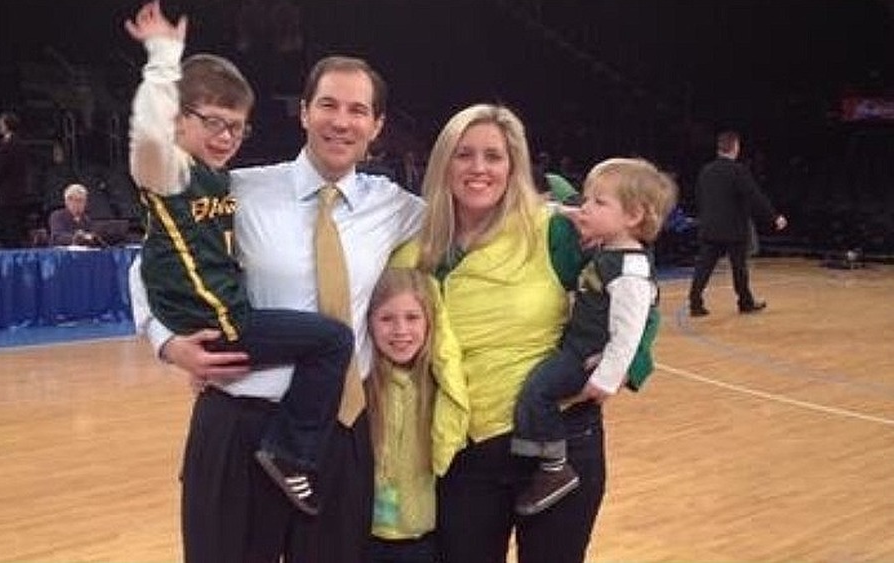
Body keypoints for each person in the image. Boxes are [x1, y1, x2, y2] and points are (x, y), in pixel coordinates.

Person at [126, 12, 427, 561]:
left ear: (377, 126)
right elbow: (148, 260)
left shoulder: (397, 208)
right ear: (304, 113)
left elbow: (477, 220)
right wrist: (166, 341)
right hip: (240, 425)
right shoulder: (240, 188)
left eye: (358, 110)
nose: (342, 121)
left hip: (340, 430)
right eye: (329, 105)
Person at [389, 103, 656, 563]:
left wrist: (621, 365)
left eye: (494, 156)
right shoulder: (415, 249)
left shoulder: (554, 230)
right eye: (464, 154)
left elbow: (634, 290)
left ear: (513, 166)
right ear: (443, 162)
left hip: (561, 441)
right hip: (464, 451)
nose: (479, 168)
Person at [125, 0, 353, 517]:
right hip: (222, 323)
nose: (226, 137)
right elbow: (148, 136)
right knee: (334, 340)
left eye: (237, 127)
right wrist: (163, 57)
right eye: (213, 123)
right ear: (177, 120)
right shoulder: (168, 171)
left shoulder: (229, 182)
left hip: (225, 320)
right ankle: (291, 451)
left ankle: (287, 448)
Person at [511, 157, 677, 516]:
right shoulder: (611, 247)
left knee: (536, 392)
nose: (585, 208)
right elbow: (567, 212)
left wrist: (608, 376)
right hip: (576, 346)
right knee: (537, 392)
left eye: (598, 202)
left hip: (585, 357)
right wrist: (558, 210)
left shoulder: (630, 269)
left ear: (632, 216)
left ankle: (553, 469)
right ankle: (541, 460)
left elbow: (629, 331)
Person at [365, 268, 438, 563]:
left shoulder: (437, 386)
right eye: (386, 319)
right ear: (368, 323)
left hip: (419, 538)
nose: (401, 331)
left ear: (429, 322)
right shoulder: (360, 385)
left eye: (412, 318)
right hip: (364, 537)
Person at [688, 130, 787, 316]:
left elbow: (699, 197)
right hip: (733, 228)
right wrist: (774, 217)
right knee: (739, 268)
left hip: (710, 227)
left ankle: (695, 302)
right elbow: (755, 196)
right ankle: (745, 302)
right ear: (735, 147)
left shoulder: (706, 171)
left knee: (704, 267)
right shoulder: (738, 171)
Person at [0, 110, 31, 247]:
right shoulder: (21, 144)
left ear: (6, 125)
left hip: (8, 194)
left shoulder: (8, 145)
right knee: (15, 228)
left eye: (1, 123)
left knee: (10, 229)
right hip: (19, 193)